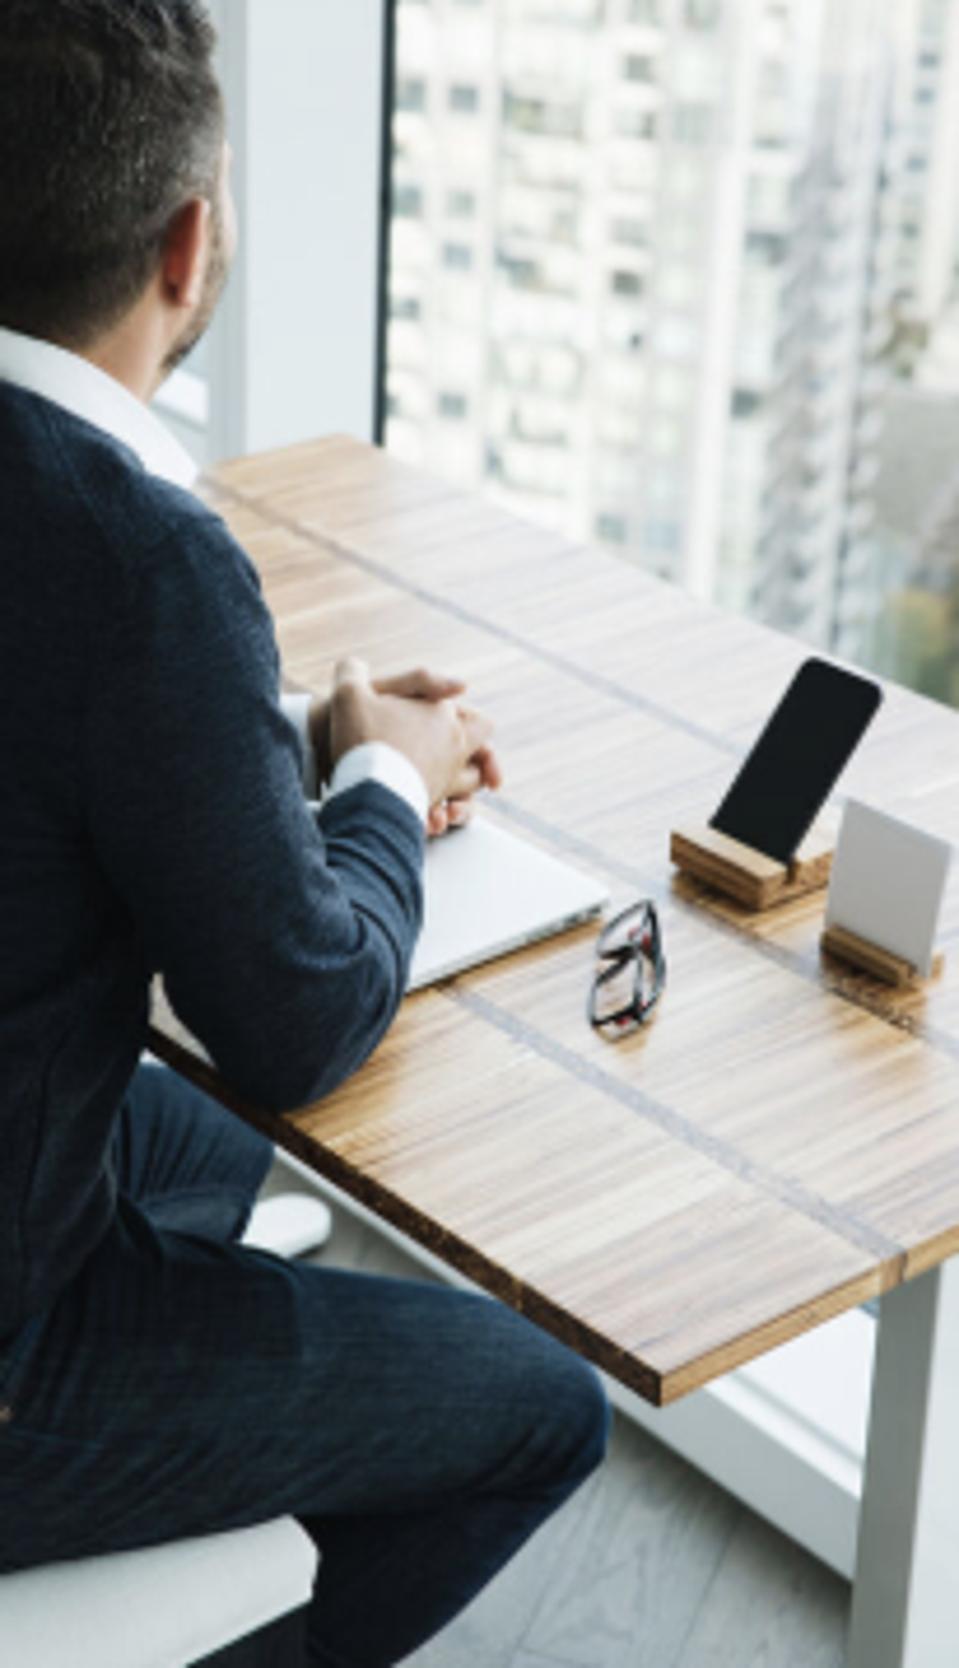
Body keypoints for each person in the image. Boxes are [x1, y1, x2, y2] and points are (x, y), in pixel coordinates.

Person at [0, 3, 610, 1663]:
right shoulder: (137, 554)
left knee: (208, 1153)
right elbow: (297, 1020)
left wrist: (289, 745)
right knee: (543, 1411)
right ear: (191, 244)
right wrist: (390, 790)